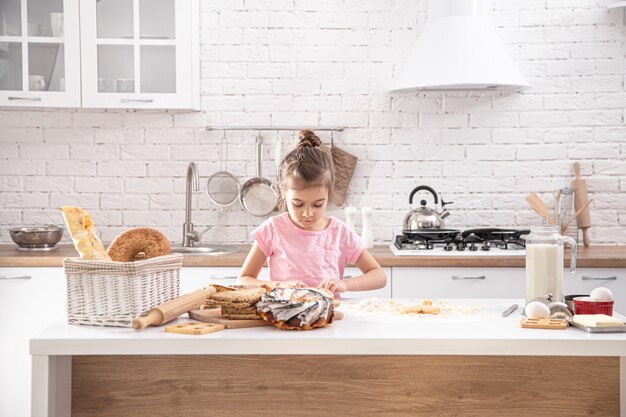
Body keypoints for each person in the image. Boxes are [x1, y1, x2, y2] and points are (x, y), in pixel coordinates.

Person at [238, 129, 387, 296]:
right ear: (284, 193)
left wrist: (345, 284)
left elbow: (379, 276)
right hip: (284, 317)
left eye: (317, 204)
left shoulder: (340, 232)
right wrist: (278, 285)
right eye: (298, 204)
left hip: (328, 317)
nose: (307, 214)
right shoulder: (273, 229)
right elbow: (244, 279)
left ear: (328, 196)